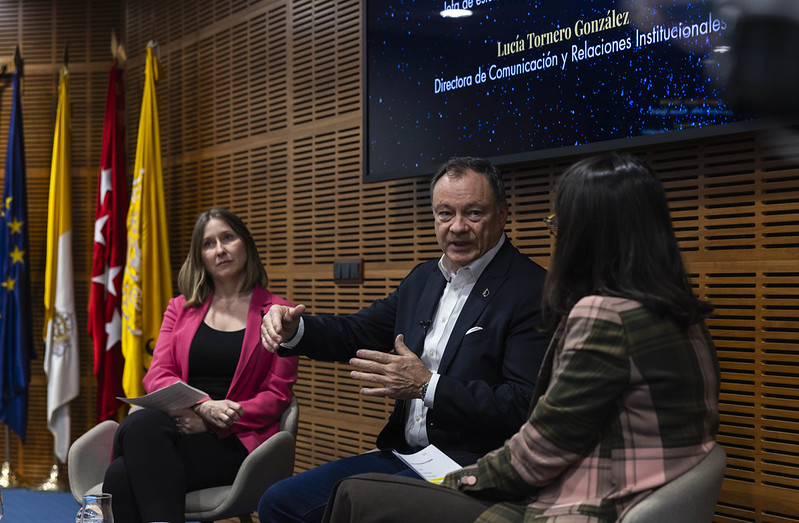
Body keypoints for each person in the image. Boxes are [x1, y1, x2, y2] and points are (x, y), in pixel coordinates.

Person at [322, 152, 721, 522]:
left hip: (578, 506)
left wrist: (455, 481)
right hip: (627, 496)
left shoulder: (601, 315)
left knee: (353, 495)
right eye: (445, 213)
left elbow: (541, 449)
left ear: (586, 236)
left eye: (560, 224)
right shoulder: (684, 316)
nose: (556, 237)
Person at [258, 156, 549, 522]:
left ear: (503, 213)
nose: (457, 227)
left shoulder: (532, 289)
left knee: (357, 506)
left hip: (473, 464)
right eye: (445, 214)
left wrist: (427, 385)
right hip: (406, 456)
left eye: (473, 213)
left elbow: (522, 405)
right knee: (278, 502)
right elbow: (357, 332)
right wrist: (295, 330)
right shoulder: (423, 279)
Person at [102, 208, 299, 523]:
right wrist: (201, 407)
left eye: (227, 238)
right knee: (141, 427)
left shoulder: (279, 313)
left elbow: (276, 395)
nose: (219, 249)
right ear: (201, 256)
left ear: (245, 244)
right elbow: (158, 375)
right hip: (178, 426)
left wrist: (214, 422)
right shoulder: (180, 308)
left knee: (121, 472)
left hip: (237, 440)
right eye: (209, 244)